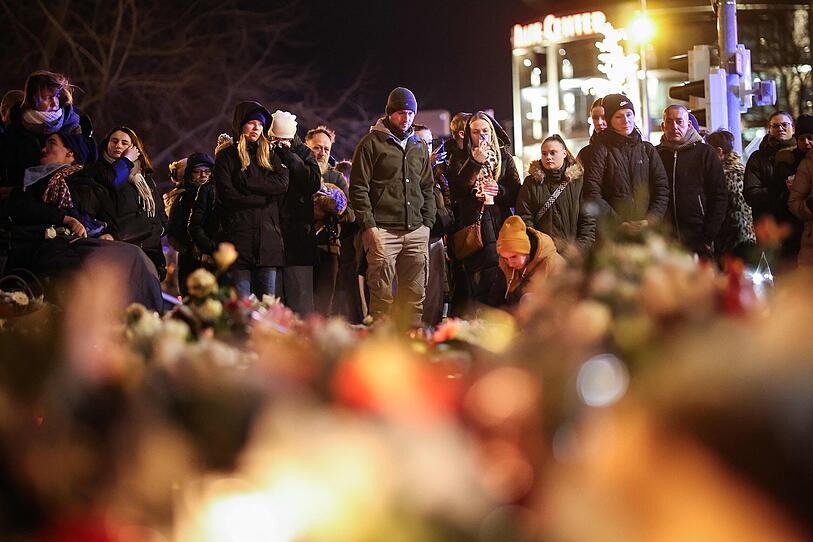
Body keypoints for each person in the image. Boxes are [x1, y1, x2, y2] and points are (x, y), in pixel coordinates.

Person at [2, 131, 162, 311]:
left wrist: (110, 234)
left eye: (51, 143)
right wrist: (66, 219)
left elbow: (107, 215)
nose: (44, 149)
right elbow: (21, 206)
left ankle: (145, 322)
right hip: (52, 243)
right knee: (93, 265)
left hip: (85, 241)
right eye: (114, 141)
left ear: (70, 153)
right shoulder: (37, 180)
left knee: (134, 256)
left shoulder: (87, 180)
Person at [349, 86, 435, 323]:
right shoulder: (370, 144)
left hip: (416, 229)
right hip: (382, 230)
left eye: (410, 113)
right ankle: (382, 349)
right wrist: (369, 227)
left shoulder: (418, 147)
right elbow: (358, 188)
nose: (406, 118)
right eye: (400, 113)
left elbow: (428, 186)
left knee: (415, 295)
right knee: (381, 297)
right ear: (389, 113)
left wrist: (427, 223)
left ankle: (412, 345)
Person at [446, 110, 521, 309]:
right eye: (476, 131)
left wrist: (500, 190)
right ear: (469, 134)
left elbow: (516, 192)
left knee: (501, 280)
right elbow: (455, 190)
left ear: (492, 132)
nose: (482, 136)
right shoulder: (460, 158)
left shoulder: (503, 157)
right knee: (478, 286)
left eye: (485, 131)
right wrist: (475, 163)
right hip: (474, 230)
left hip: (500, 225)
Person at [214, 101, 289, 298]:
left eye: (260, 124)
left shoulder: (271, 156)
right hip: (239, 243)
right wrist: (264, 198)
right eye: (251, 122)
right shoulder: (227, 157)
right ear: (240, 125)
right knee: (241, 307)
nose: (256, 127)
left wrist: (245, 183)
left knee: (268, 309)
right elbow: (227, 195)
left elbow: (281, 184)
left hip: (268, 246)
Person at [82, 126, 168, 281]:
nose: (118, 145)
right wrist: (126, 161)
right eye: (114, 141)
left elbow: (159, 214)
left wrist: (159, 230)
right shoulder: (98, 171)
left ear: (134, 148)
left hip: (149, 252)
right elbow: (112, 181)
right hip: (118, 250)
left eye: (124, 143)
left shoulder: (145, 179)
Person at [582, 93, 669, 236]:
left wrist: (651, 219)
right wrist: (619, 223)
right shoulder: (600, 151)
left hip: (648, 231)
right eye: (618, 116)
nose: (626, 120)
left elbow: (662, 188)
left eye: (629, 114)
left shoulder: (646, 149)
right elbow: (592, 191)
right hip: (615, 232)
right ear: (610, 120)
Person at [656, 105, 727, 258]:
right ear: (663, 126)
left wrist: (708, 237)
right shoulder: (656, 154)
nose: (674, 126)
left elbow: (719, 196)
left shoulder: (705, 153)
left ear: (688, 125)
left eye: (679, 121)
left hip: (698, 238)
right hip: (665, 240)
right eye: (669, 122)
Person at [268, 110, 322, 314]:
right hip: (272, 238)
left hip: (298, 240)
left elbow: (312, 183)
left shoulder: (303, 153)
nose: (280, 143)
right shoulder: (265, 152)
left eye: (284, 140)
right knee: (274, 305)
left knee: (301, 304)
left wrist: (290, 158)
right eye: (276, 139)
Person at [517, 134, 595, 259]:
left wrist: (579, 248)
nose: (548, 157)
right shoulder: (531, 183)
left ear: (564, 153)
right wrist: (538, 247)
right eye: (544, 153)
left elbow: (588, 219)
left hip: (573, 255)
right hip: (543, 256)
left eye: (553, 153)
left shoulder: (578, 182)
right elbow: (524, 217)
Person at [1, 71, 82, 189]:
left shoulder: (72, 126)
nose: (54, 102)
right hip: (21, 201)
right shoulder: (16, 128)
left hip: (60, 197)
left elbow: (78, 169)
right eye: (48, 98)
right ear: (33, 100)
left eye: (57, 96)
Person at [743, 111, 803, 269]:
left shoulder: (803, 155)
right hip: (771, 229)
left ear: (793, 129)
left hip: (801, 227)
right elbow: (751, 193)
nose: (780, 128)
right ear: (769, 129)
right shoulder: (758, 158)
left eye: (785, 125)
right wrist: (781, 190)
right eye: (775, 125)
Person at [414, 124, 454, 325]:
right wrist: (426, 167)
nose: (427, 147)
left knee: (434, 297)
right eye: (421, 142)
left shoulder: (438, 172)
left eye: (429, 143)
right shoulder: (409, 169)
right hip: (416, 238)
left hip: (436, 239)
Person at [164, 152, 214, 296]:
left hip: (214, 258)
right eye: (197, 172)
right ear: (190, 175)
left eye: (207, 171)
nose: (203, 175)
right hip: (190, 260)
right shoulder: (183, 199)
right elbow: (173, 233)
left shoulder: (220, 195)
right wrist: (190, 249)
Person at [487, 215, 565, 307]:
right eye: (505, 258)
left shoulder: (554, 264)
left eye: (514, 257)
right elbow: (495, 299)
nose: (510, 263)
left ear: (526, 250)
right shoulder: (505, 265)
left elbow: (566, 303)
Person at [706, 129, 756, 259]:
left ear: (719, 152)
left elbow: (734, 211)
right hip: (744, 237)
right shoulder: (740, 169)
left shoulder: (726, 175)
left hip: (734, 241)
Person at [786, 114, 813, 269]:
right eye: (801, 139)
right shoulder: (803, 163)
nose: (806, 143)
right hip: (797, 233)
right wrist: (809, 205)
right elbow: (794, 202)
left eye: (810, 137)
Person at [576, 97, 607, 166]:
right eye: (595, 118)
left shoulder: (626, 148)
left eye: (604, 117)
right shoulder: (585, 154)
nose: (599, 122)